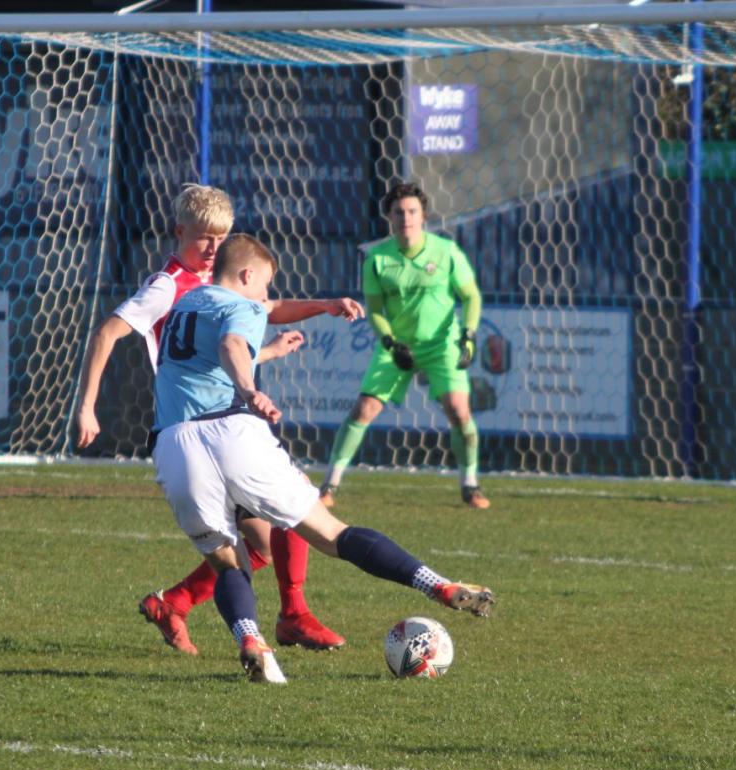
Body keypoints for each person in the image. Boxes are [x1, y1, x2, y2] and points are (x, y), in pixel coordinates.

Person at [152, 232, 495, 683]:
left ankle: (250, 639)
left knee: (227, 560)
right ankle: (438, 585)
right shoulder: (242, 308)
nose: (267, 297)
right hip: (231, 430)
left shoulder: (188, 303)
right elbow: (233, 345)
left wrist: (324, 306)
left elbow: (268, 311)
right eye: (265, 284)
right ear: (247, 275)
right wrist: (250, 390)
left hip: (174, 446)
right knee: (331, 533)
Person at [75, 184, 362, 655]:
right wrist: (87, 406)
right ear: (179, 232)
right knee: (285, 513)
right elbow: (107, 332)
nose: (213, 247)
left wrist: (322, 308)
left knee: (267, 539)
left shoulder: (217, 279)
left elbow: (263, 312)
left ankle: (179, 603)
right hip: (196, 429)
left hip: (225, 423)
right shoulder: (168, 286)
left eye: (220, 238)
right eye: (204, 237)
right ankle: (288, 616)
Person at [319, 181, 491, 509]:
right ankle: (329, 485)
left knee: (459, 410)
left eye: (412, 211)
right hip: (396, 346)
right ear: (389, 217)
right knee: (364, 408)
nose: (406, 218)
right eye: (399, 212)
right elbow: (375, 311)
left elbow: (471, 296)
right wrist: (390, 342)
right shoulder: (377, 259)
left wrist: (468, 335)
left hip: (442, 345)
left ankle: (471, 485)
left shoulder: (446, 252)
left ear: (423, 215)